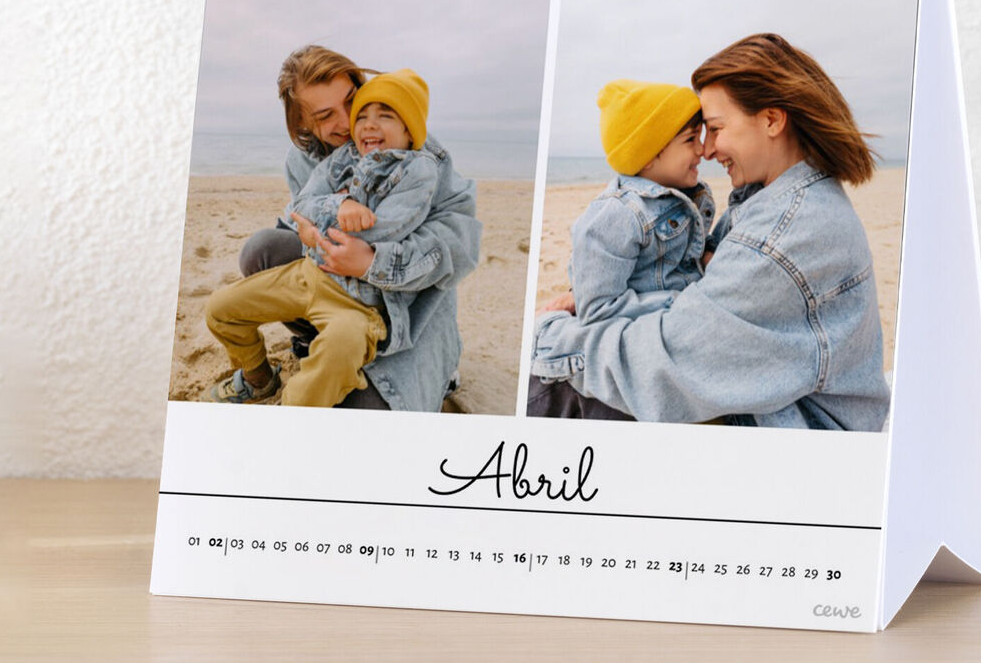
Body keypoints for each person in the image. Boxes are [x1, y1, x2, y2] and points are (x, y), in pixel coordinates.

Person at [530, 33, 890, 430]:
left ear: (771, 120)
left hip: (791, 430)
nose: (708, 149)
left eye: (716, 128)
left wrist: (546, 334)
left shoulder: (781, 236)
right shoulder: (774, 198)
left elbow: (663, 366)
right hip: (783, 401)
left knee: (557, 386)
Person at [235, 46, 481, 412]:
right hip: (338, 294)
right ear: (305, 124)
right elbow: (302, 219)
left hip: (407, 307)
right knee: (262, 251)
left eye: (351, 101)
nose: (350, 119)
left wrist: (371, 262)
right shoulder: (302, 161)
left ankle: (436, 370)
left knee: (365, 409)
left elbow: (460, 242)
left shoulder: (417, 149)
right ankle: (318, 338)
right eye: (325, 115)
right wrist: (313, 230)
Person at [528, 79, 715, 420]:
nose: (702, 150)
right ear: (648, 154)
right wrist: (681, 303)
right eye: (691, 140)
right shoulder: (617, 214)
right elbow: (599, 310)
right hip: (628, 350)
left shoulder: (681, 198)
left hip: (668, 337)